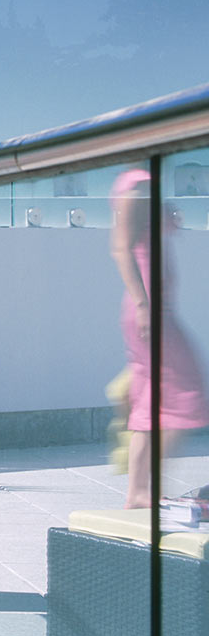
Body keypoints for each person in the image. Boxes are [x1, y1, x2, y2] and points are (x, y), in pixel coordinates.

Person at [111, 166, 208, 510]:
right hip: (150, 310)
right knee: (182, 392)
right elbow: (122, 248)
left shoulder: (147, 183)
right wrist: (142, 304)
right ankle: (140, 490)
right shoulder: (135, 183)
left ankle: (142, 489)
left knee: (163, 398)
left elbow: (168, 226)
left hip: (159, 309)